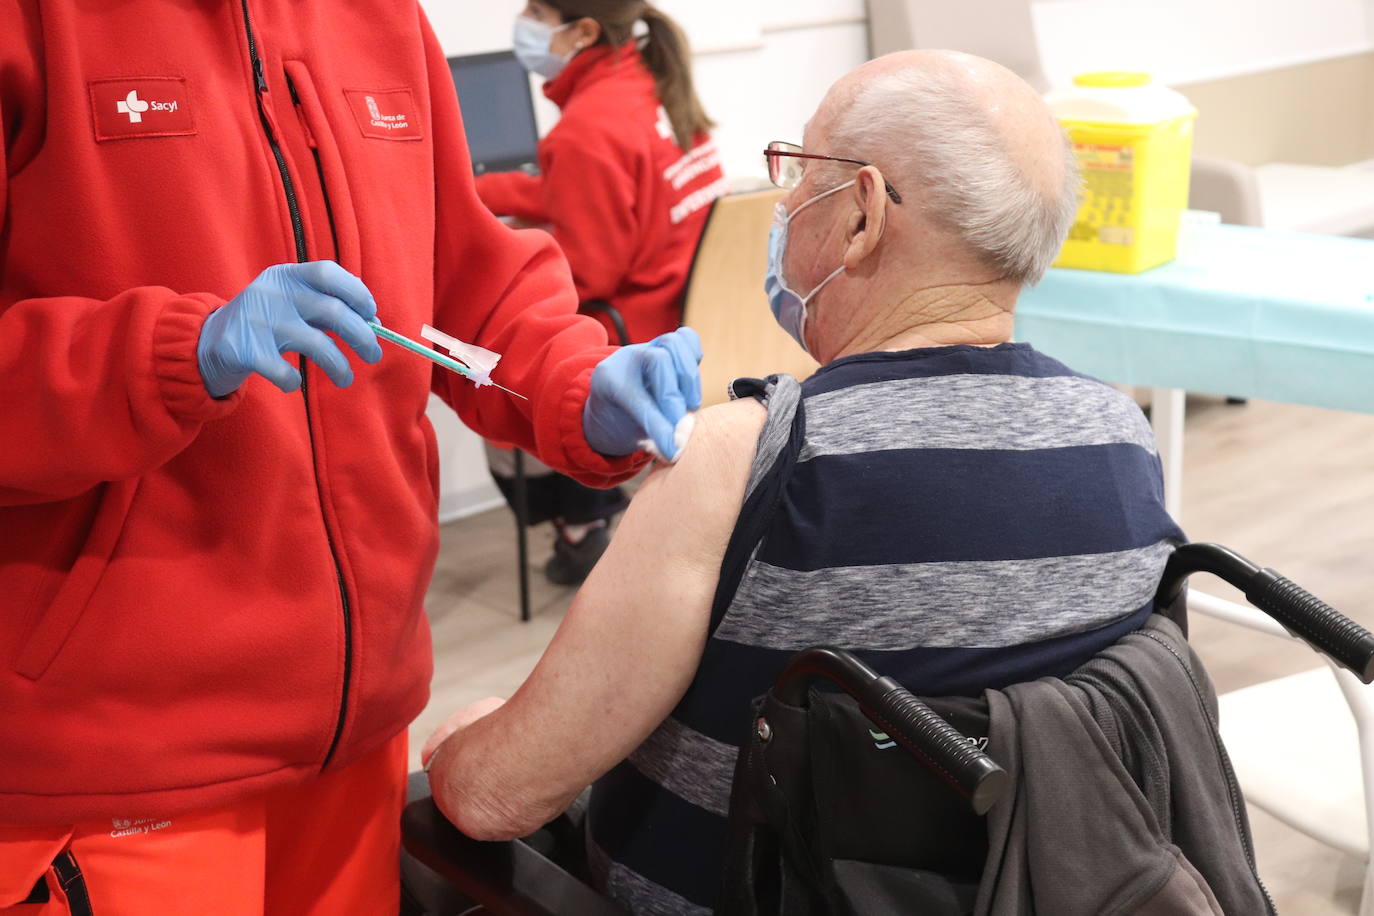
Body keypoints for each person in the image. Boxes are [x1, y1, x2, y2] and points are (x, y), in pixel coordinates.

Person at [424, 50, 1186, 914]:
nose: (783, 204)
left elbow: (498, 798)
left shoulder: (746, 458)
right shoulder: (1123, 441)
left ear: (862, 213)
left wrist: (460, 742)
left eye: (799, 173)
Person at [0, 2, 700, 914]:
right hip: (124, 758)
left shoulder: (379, 18)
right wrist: (171, 353)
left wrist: (581, 384)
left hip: (361, 731)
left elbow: (468, 290)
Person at [477, 0, 728, 585]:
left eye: (537, 10)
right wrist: (494, 192)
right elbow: (603, 193)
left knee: (485, 364)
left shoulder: (587, 130)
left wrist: (509, 246)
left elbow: (587, 274)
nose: (525, 20)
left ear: (583, 30)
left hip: (630, 326)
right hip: (690, 314)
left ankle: (583, 526)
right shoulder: (652, 85)